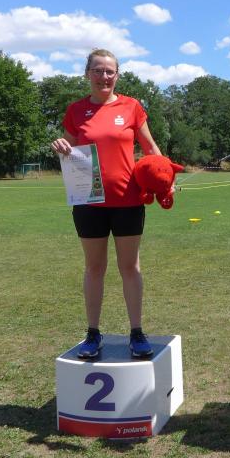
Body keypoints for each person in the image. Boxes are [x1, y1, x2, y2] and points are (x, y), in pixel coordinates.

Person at [51, 48, 166, 359]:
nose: (104, 76)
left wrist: (164, 175)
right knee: (94, 267)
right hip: (88, 202)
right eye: (98, 70)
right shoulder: (76, 110)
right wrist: (61, 146)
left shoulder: (131, 107)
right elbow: (68, 148)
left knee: (130, 266)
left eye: (109, 71)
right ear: (87, 74)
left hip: (128, 199)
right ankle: (92, 333)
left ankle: (137, 332)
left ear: (117, 75)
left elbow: (151, 148)